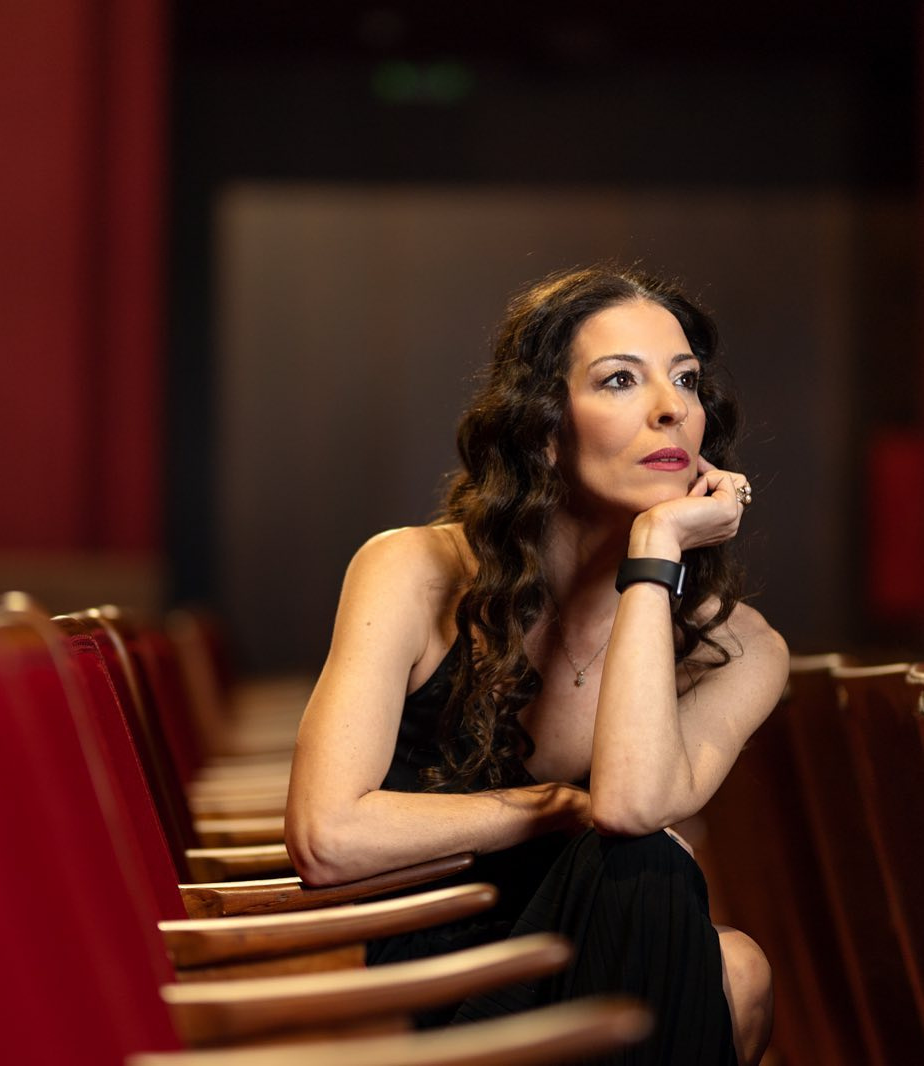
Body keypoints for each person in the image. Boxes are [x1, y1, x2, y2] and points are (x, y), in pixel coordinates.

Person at [284, 265, 789, 1064]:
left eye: (685, 379)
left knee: (708, 934)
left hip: (596, 956)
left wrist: (654, 550)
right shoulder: (412, 571)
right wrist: (556, 804)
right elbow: (327, 836)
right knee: (695, 929)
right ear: (543, 429)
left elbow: (629, 810)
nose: (670, 407)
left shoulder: (741, 649)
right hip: (422, 973)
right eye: (619, 379)